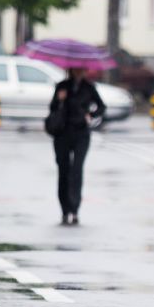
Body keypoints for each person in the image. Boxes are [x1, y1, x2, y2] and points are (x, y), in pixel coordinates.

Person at [49, 68, 106, 225]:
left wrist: (91, 115)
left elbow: (101, 107)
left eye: (82, 69)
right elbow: (52, 109)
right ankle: (64, 209)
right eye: (77, 69)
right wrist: (60, 100)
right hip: (62, 134)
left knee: (77, 170)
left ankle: (74, 209)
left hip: (81, 134)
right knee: (63, 170)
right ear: (71, 69)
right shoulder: (62, 86)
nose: (80, 72)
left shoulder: (89, 87)